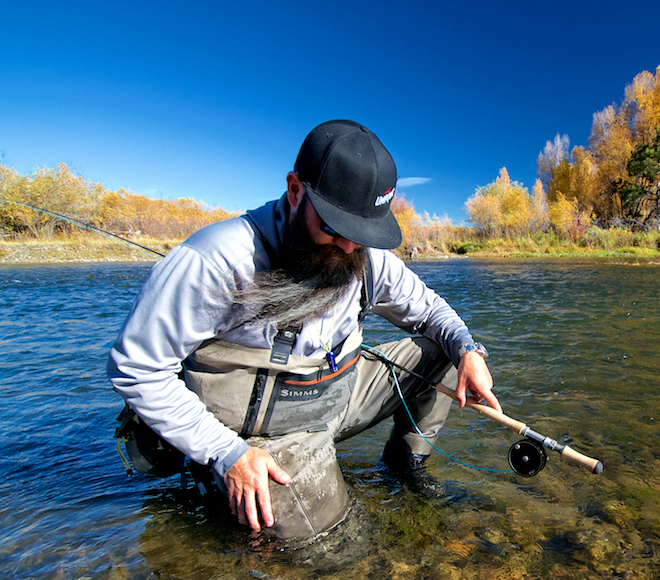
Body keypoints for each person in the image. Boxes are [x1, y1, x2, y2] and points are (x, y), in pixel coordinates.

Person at [108, 119, 501, 541]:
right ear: (296, 190)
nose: (350, 247)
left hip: (335, 401)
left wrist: (468, 351)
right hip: (257, 437)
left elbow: (431, 310)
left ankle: (407, 470)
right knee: (338, 550)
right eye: (335, 228)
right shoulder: (215, 260)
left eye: (363, 234)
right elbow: (138, 370)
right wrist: (227, 454)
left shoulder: (366, 259)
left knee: (443, 351)